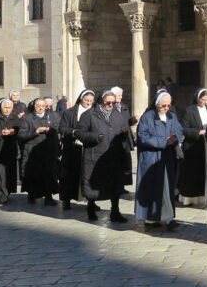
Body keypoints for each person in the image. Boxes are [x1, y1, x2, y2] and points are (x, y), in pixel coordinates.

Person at [76, 90, 130, 223]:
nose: (110, 104)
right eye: (108, 102)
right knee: (94, 184)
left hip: (113, 155)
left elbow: (123, 130)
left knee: (115, 185)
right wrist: (95, 137)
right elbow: (79, 133)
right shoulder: (89, 115)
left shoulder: (117, 115)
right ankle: (90, 207)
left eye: (113, 102)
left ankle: (115, 212)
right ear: (101, 101)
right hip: (95, 155)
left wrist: (124, 133)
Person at [135, 91, 183, 231]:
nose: (166, 108)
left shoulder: (172, 116)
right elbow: (143, 136)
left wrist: (175, 138)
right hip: (151, 158)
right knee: (151, 187)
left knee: (167, 189)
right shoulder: (147, 117)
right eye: (163, 105)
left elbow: (179, 130)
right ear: (157, 104)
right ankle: (150, 218)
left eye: (168, 105)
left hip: (167, 157)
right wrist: (163, 141)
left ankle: (168, 218)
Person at [58, 91, 95, 210]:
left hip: (89, 148)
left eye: (91, 101)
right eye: (86, 100)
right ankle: (66, 200)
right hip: (72, 148)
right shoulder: (69, 113)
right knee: (69, 174)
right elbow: (62, 128)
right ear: (80, 99)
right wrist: (74, 132)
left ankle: (91, 202)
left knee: (89, 175)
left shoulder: (95, 113)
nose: (88, 103)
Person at [19, 98, 59, 205]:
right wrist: (35, 131)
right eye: (37, 106)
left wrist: (50, 130)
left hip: (48, 150)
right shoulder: (27, 118)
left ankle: (48, 197)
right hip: (32, 151)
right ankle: (32, 195)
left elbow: (58, 129)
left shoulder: (52, 116)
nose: (40, 108)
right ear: (34, 106)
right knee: (33, 174)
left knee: (48, 174)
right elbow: (21, 135)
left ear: (46, 106)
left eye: (42, 105)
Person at [179, 89, 207, 207]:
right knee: (193, 173)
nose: (205, 102)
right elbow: (184, 129)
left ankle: (203, 197)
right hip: (193, 146)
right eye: (203, 99)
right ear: (197, 98)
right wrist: (199, 132)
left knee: (204, 171)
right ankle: (190, 199)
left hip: (206, 145)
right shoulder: (189, 111)